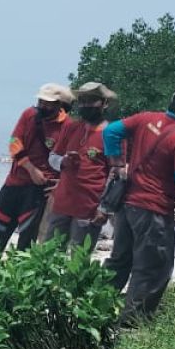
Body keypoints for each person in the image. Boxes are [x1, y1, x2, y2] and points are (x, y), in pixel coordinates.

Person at [103, 84, 175, 325]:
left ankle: (96, 312)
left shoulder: (146, 118)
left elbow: (111, 131)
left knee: (119, 261)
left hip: (127, 206)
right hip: (153, 212)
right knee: (153, 270)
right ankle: (131, 327)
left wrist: (116, 163)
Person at [0, 83, 71, 252]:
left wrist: (61, 184)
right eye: (41, 101)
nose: (43, 106)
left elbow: (70, 161)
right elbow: (14, 142)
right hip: (14, 183)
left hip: (39, 191)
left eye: (48, 103)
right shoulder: (29, 115)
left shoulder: (68, 126)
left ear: (59, 105)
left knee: (27, 238)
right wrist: (31, 169)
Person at [46, 83, 116, 251]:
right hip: (62, 203)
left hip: (89, 208)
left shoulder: (112, 133)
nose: (86, 105)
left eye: (92, 101)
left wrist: (105, 209)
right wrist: (63, 162)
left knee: (79, 261)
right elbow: (52, 158)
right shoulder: (72, 127)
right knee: (48, 254)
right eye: (82, 100)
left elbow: (115, 175)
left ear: (104, 103)